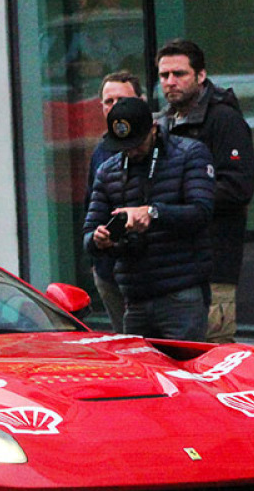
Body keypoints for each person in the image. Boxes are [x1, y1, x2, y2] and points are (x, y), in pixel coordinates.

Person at [84, 96, 215, 341]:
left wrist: (153, 213)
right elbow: (89, 233)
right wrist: (99, 239)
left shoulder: (189, 154)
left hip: (181, 294)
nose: (132, 151)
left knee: (183, 374)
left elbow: (202, 211)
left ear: (154, 129)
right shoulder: (108, 171)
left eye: (138, 143)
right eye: (125, 146)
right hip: (134, 297)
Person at [156, 39, 254, 343]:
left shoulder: (224, 119)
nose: (170, 82)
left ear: (201, 76)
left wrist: (177, 199)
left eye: (179, 73)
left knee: (212, 352)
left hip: (213, 264)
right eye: (164, 76)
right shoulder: (163, 123)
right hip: (171, 265)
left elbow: (239, 188)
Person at [85, 71, 144, 330]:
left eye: (121, 100)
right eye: (108, 102)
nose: (113, 108)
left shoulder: (161, 147)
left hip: (149, 272)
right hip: (108, 272)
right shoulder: (101, 151)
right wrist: (95, 247)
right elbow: (92, 208)